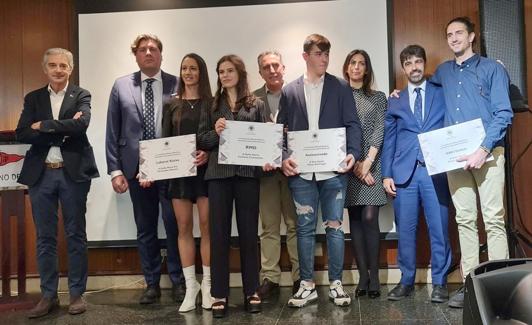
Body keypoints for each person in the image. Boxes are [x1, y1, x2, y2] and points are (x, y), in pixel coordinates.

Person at [432, 17, 513, 308]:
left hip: (488, 154)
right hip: (455, 158)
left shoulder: (492, 69)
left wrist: (483, 148)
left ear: (471, 37)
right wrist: (398, 94)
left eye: (458, 33)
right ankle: (469, 286)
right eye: (449, 34)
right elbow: (425, 95)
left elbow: (504, 113)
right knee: (464, 220)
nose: (453, 38)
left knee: (493, 220)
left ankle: (499, 289)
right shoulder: (442, 72)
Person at [277, 34, 362, 308]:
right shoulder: (289, 91)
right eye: (318, 53)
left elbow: (353, 125)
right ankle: (307, 285)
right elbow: (281, 132)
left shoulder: (340, 87)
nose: (324, 58)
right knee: (303, 229)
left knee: (335, 228)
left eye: (327, 53)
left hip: (334, 172)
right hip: (301, 173)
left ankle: (336, 284)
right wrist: (282, 158)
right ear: (305, 56)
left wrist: (353, 153)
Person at [16, 48, 99, 318]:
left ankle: (77, 294)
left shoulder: (81, 95)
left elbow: (82, 125)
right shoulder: (33, 98)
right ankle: (48, 296)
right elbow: (23, 133)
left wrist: (45, 126)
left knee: (76, 235)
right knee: (45, 238)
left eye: (63, 65)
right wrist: (63, 127)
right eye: (53, 65)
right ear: (45, 69)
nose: (58, 69)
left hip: (72, 174)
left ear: (70, 69)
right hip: (42, 175)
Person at [105, 34, 185, 304]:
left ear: (161, 54)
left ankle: (179, 281)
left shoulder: (177, 83)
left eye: (153, 49)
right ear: (136, 55)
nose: (148, 52)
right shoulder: (121, 86)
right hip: (135, 170)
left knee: (175, 225)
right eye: (143, 49)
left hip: (172, 166)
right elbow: (112, 130)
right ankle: (151, 283)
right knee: (145, 227)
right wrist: (115, 170)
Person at [197, 54, 270, 318]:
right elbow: (201, 140)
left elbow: (266, 140)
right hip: (218, 176)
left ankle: (252, 290)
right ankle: (219, 294)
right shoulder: (212, 104)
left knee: (250, 234)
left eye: (229, 70)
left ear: (240, 73)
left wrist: (270, 155)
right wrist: (214, 132)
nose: (224, 75)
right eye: (220, 72)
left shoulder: (257, 104)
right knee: (219, 236)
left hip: (248, 175)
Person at [382, 45, 451, 303]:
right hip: (404, 174)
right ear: (403, 68)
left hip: (435, 173)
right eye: (409, 63)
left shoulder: (441, 92)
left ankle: (441, 282)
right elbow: (389, 139)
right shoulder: (395, 99)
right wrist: (386, 174)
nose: (414, 67)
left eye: (418, 61)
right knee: (406, 230)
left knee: (439, 229)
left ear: (424, 63)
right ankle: (406, 280)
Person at [161, 53, 212, 312]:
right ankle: (190, 287)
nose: (188, 72)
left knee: (207, 227)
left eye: (193, 68)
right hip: (179, 174)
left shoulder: (212, 103)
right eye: (184, 68)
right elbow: (164, 143)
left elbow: (219, 138)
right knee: (183, 228)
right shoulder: (171, 104)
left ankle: (209, 287)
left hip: (206, 174)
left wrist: (208, 153)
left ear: (201, 72)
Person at [253, 51, 300, 298]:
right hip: (266, 173)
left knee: (295, 224)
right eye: (266, 67)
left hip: (293, 169)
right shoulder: (252, 99)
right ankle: (269, 278)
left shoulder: (297, 93)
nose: (272, 70)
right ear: (260, 72)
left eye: (275, 65)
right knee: (269, 226)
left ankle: (299, 277)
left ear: (284, 67)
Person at [342, 49, 387, 299]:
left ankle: (376, 277)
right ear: (347, 68)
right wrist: (356, 168)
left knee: (370, 217)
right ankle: (363, 277)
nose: (357, 67)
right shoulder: (339, 97)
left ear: (367, 69)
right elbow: (338, 132)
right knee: (356, 220)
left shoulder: (379, 97)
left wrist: (367, 163)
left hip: (374, 164)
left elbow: (380, 130)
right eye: (353, 63)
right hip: (348, 167)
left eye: (362, 64)